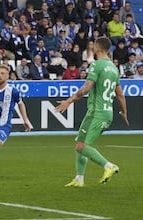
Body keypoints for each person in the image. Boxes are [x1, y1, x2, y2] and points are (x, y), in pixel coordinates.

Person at [55, 36, 129, 187]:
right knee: (79, 143)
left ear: (97, 48)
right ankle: (79, 179)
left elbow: (86, 88)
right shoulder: (114, 68)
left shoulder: (96, 65)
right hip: (105, 112)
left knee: (82, 146)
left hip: (97, 112)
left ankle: (109, 166)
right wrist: (124, 112)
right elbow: (120, 94)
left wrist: (69, 101)